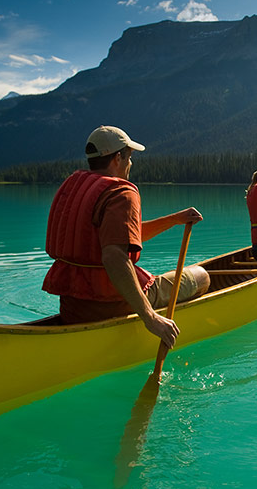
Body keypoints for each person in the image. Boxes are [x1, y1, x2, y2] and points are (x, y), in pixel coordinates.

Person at [42, 125, 210, 349]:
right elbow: (113, 256)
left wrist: (173, 220)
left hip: (73, 305)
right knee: (202, 276)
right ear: (118, 158)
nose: (131, 164)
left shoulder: (74, 186)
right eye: (129, 157)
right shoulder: (122, 193)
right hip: (111, 303)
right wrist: (150, 318)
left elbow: (119, 236)